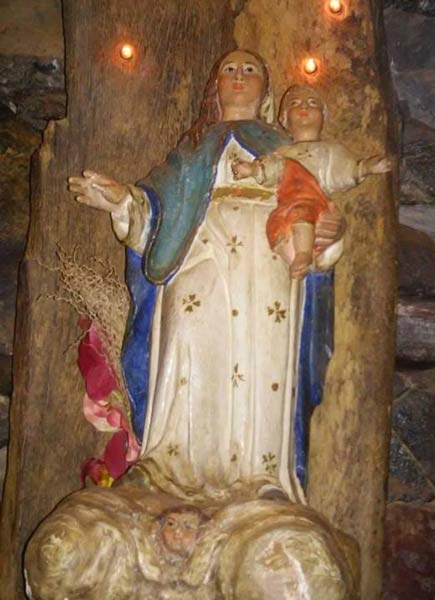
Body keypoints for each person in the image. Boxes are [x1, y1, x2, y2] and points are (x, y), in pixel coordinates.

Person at [68, 50, 344, 503]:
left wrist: (329, 234)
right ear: (214, 89)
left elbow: (315, 206)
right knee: (186, 343)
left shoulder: (286, 149)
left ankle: (261, 476)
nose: (239, 76)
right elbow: (156, 208)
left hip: (266, 258)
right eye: (229, 70)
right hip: (198, 253)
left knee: (261, 355)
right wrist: (123, 201)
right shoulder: (193, 149)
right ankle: (165, 467)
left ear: (267, 93)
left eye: (250, 70)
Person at [232, 84, 391, 278]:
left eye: (312, 103)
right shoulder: (280, 152)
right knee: (275, 226)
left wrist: (367, 167)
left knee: (303, 212)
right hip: (285, 207)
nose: (304, 107)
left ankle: (304, 255)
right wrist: (252, 169)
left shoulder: (330, 151)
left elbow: (347, 171)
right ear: (284, 119)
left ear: (323, 116)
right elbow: (271, 170)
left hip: (314, 204)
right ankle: (293, 260)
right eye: (295, 104)